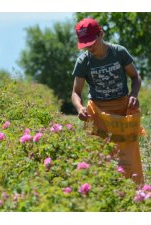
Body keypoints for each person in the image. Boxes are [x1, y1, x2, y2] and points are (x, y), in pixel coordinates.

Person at [71, 18, 145, 184]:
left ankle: (134, 190)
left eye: (91, 41)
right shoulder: (84, 61)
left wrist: (134, 95)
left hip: (122, 111)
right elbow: (76, 92)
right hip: (98, 114)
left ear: (101, 34)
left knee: (127, 157)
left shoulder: (118, 52)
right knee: (100, 156)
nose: (89, 46)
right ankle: (104, 192)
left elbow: (135, 77)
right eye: (85, 43)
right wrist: (79, 107)